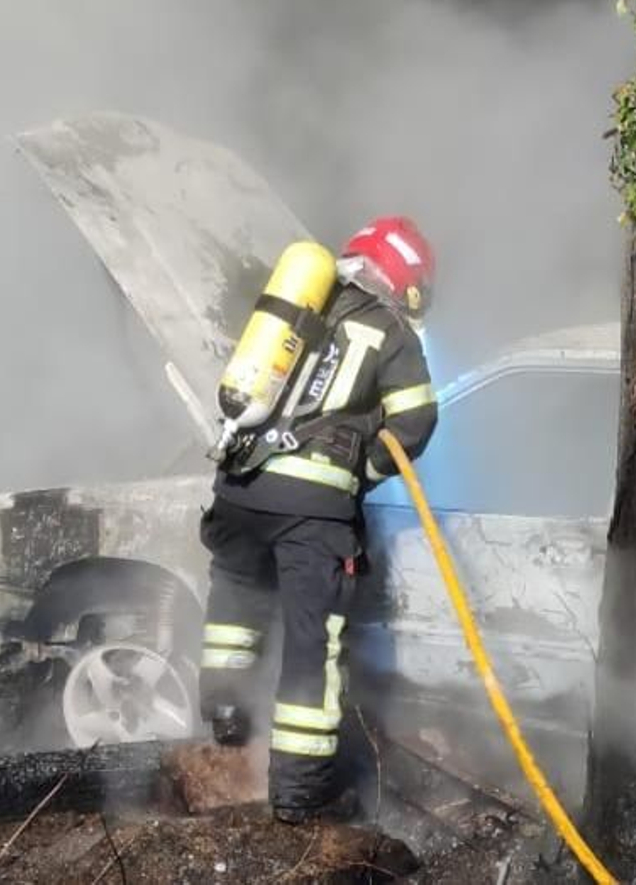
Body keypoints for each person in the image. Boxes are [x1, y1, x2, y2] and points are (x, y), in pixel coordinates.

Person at [197, 216, 439, 824]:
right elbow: (415, 423)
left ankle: (225, 723)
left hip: (237, 490)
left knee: (235, 604)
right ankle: (299, 791)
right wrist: (358, 471)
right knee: (313, 643)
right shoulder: (389, 330)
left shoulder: (296, 313)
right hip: (311, 512)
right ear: (404, 282)